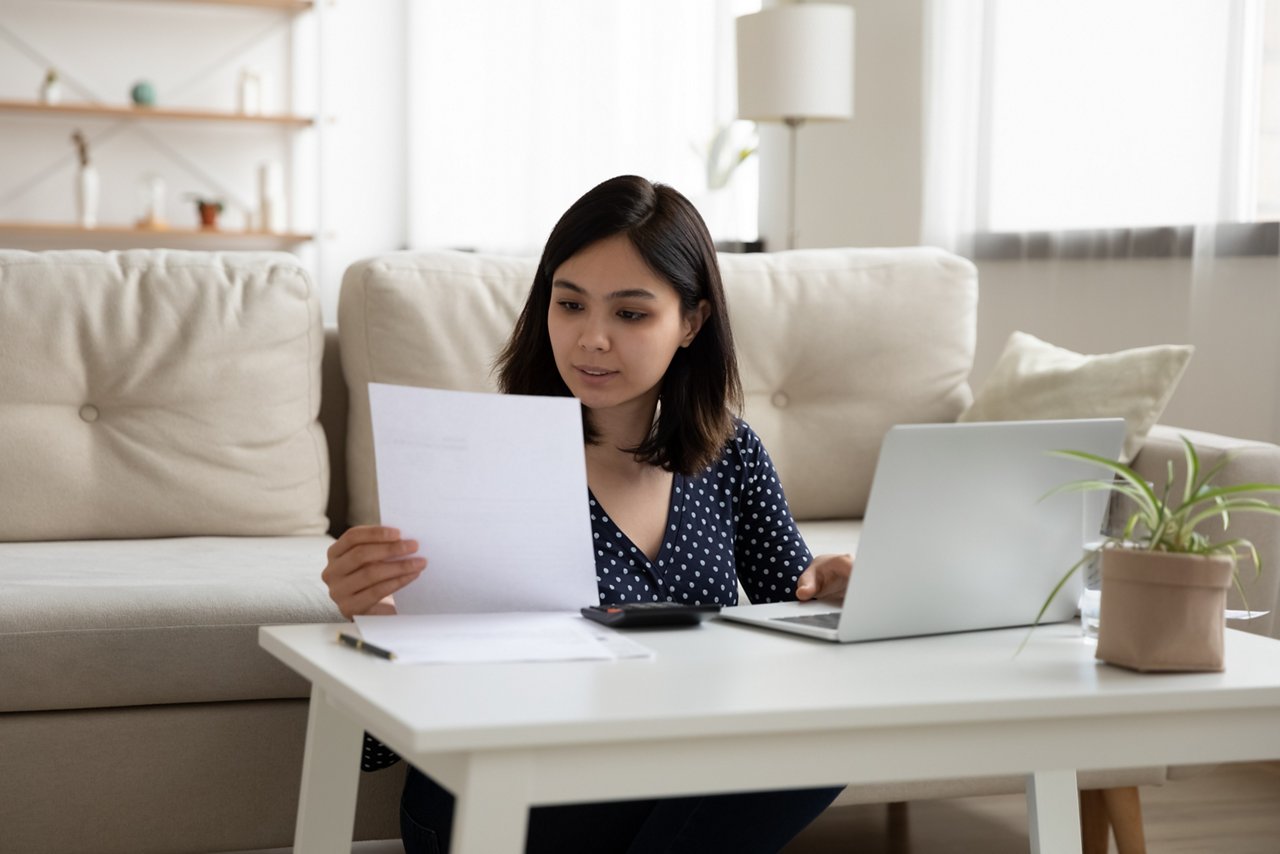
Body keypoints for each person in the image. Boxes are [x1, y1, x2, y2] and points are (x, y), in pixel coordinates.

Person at [322, 175, 853, 854]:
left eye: (630, 314)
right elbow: (376, 747)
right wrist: (371, 622)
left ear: (691, 323)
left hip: (665, 780)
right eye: (570, 304)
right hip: (511, 788)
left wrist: (841, 593)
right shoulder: (481, 459)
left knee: (826, 739)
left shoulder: (730, 453)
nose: (592, 339)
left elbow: (802, 612)